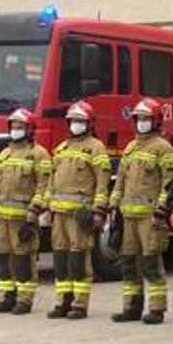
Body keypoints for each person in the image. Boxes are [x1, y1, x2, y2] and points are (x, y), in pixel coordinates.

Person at [110, 98, 173, 324]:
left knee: (151, 264)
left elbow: (168, 184)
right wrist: (113, 206)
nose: (141, 122)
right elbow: (120, 180)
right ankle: (132, 307)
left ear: (156, 120)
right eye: (138, 118)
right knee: (129, 264)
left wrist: (160, 211)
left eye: (146, 118)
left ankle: (157, 309)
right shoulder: (130, 148)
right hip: (128, 216)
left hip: (149, 218)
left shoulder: (164, 148)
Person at [41, 100, 111, 320]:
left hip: (80, 215)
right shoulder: (61, 149)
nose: (76, 125)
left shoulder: (96, 148)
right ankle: (63, 301)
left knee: (79, 258)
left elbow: (102, 181)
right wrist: (45, 207)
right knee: (61, 260)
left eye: (80, 121)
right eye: (73, 121)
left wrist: (98, 210)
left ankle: (80, 304)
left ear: (89, 123)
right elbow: (51, 182)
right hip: (59, 215)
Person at [0, 108, 52, 315]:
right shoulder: (4, 154)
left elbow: (44, 186)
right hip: (1, 218)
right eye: (13, 126)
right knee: (2, 257)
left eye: (20, 127)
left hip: (23, 218)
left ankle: (24, 300)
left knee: (23, 259)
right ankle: (6, 297)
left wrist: (34, 211)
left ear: (29, 129)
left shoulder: (39, 155)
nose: (15, 130)